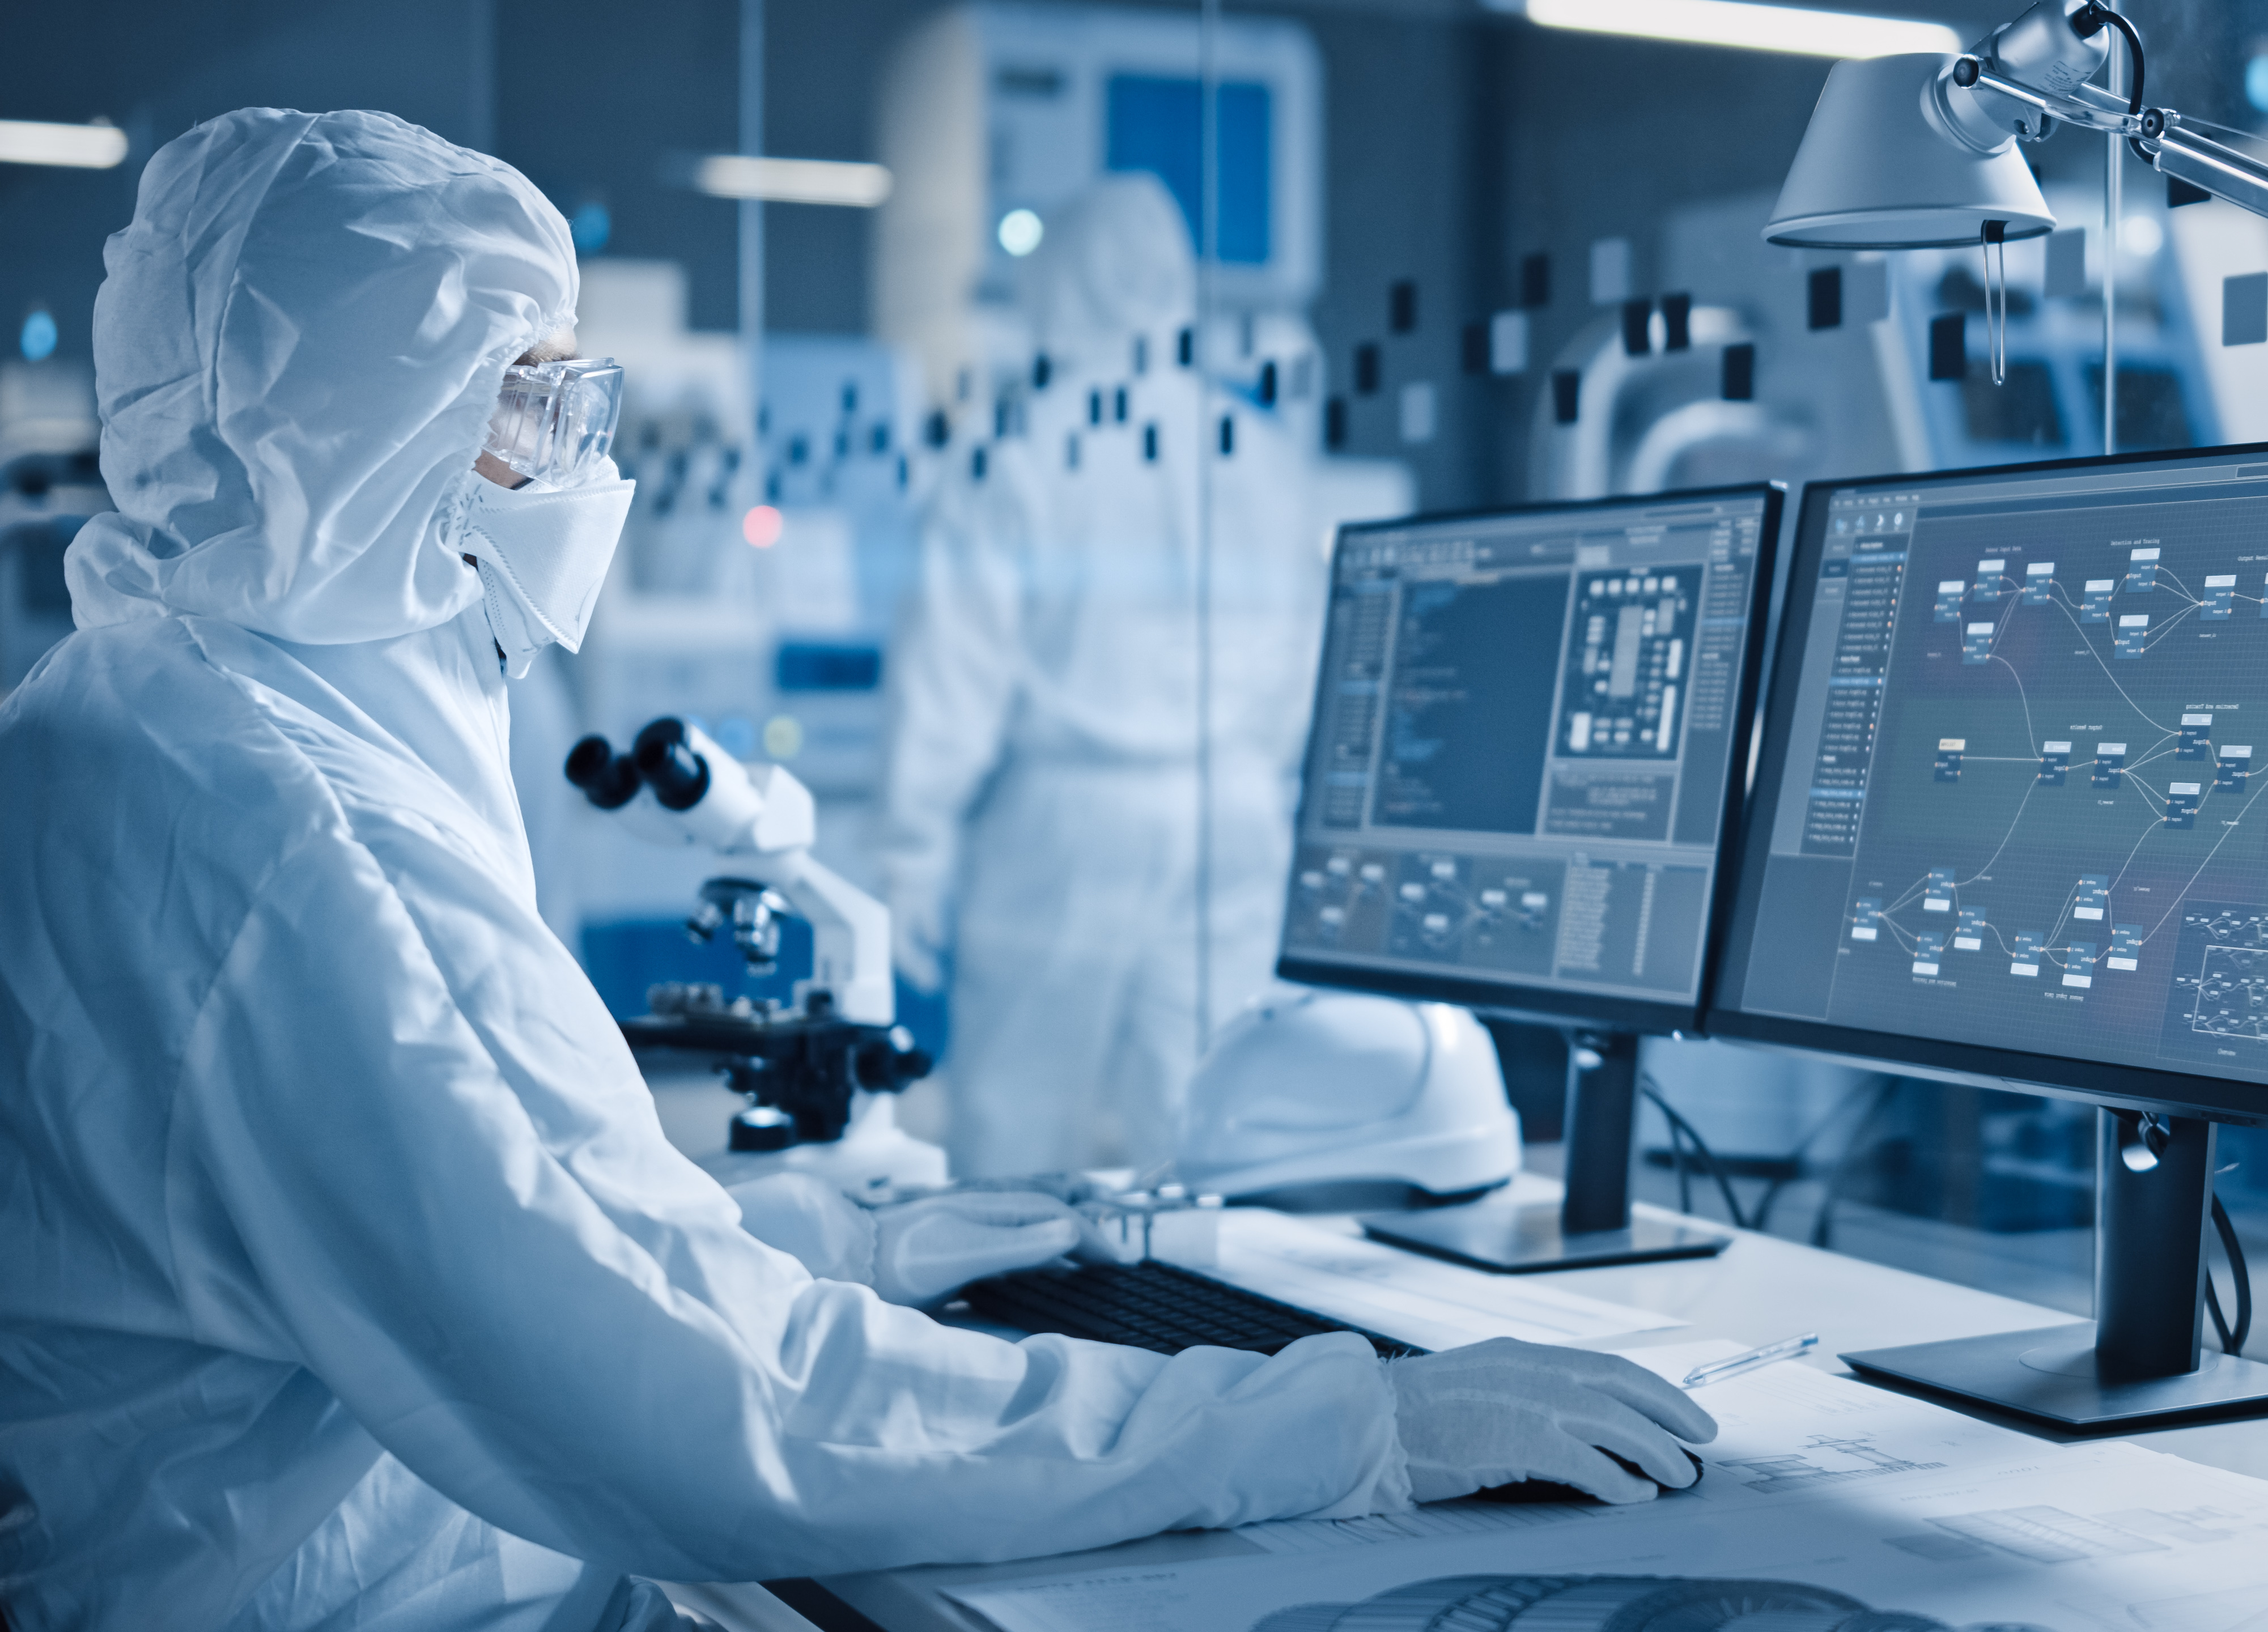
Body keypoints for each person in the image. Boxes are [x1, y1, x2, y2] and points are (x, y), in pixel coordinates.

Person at [0, 110, 1713, 1632]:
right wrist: (1348, 1425)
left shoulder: (143, 718)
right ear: (371, 439)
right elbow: (687, 1404)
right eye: (534, 398)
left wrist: (845, 1237)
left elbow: (496, 1224)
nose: (579, 455)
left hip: (285, 1538)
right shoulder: (309, 844)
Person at [878, 173, 1328, 1179]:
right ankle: (1229, 1325)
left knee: (1019, 1125)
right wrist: (1271, 784)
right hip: (1234, 806)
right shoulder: (1255, 450)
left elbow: (952, 677)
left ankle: (1013, 1331)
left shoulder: (1020, 451)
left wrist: (914, 850)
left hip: (1068, 819)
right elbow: (1303, 653)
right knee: (1213, 1122)